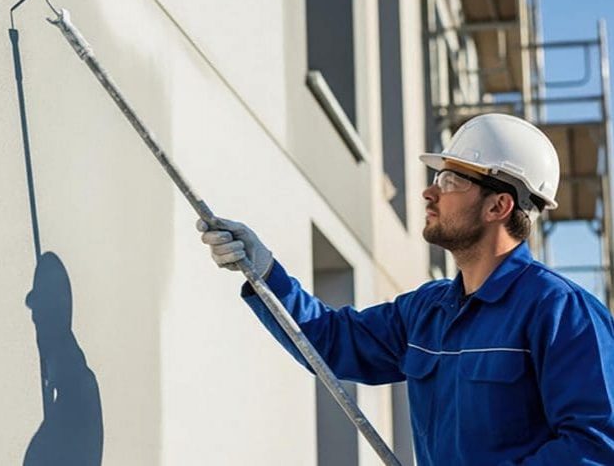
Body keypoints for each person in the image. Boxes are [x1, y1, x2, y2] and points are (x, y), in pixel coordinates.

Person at [197, 113, 614, 465]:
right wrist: (266, 273)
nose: (429, 192)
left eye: (450, 181)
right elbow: (330, 340)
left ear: (498, 206)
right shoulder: (427, 311)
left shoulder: (563, 312)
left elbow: (596, 448)